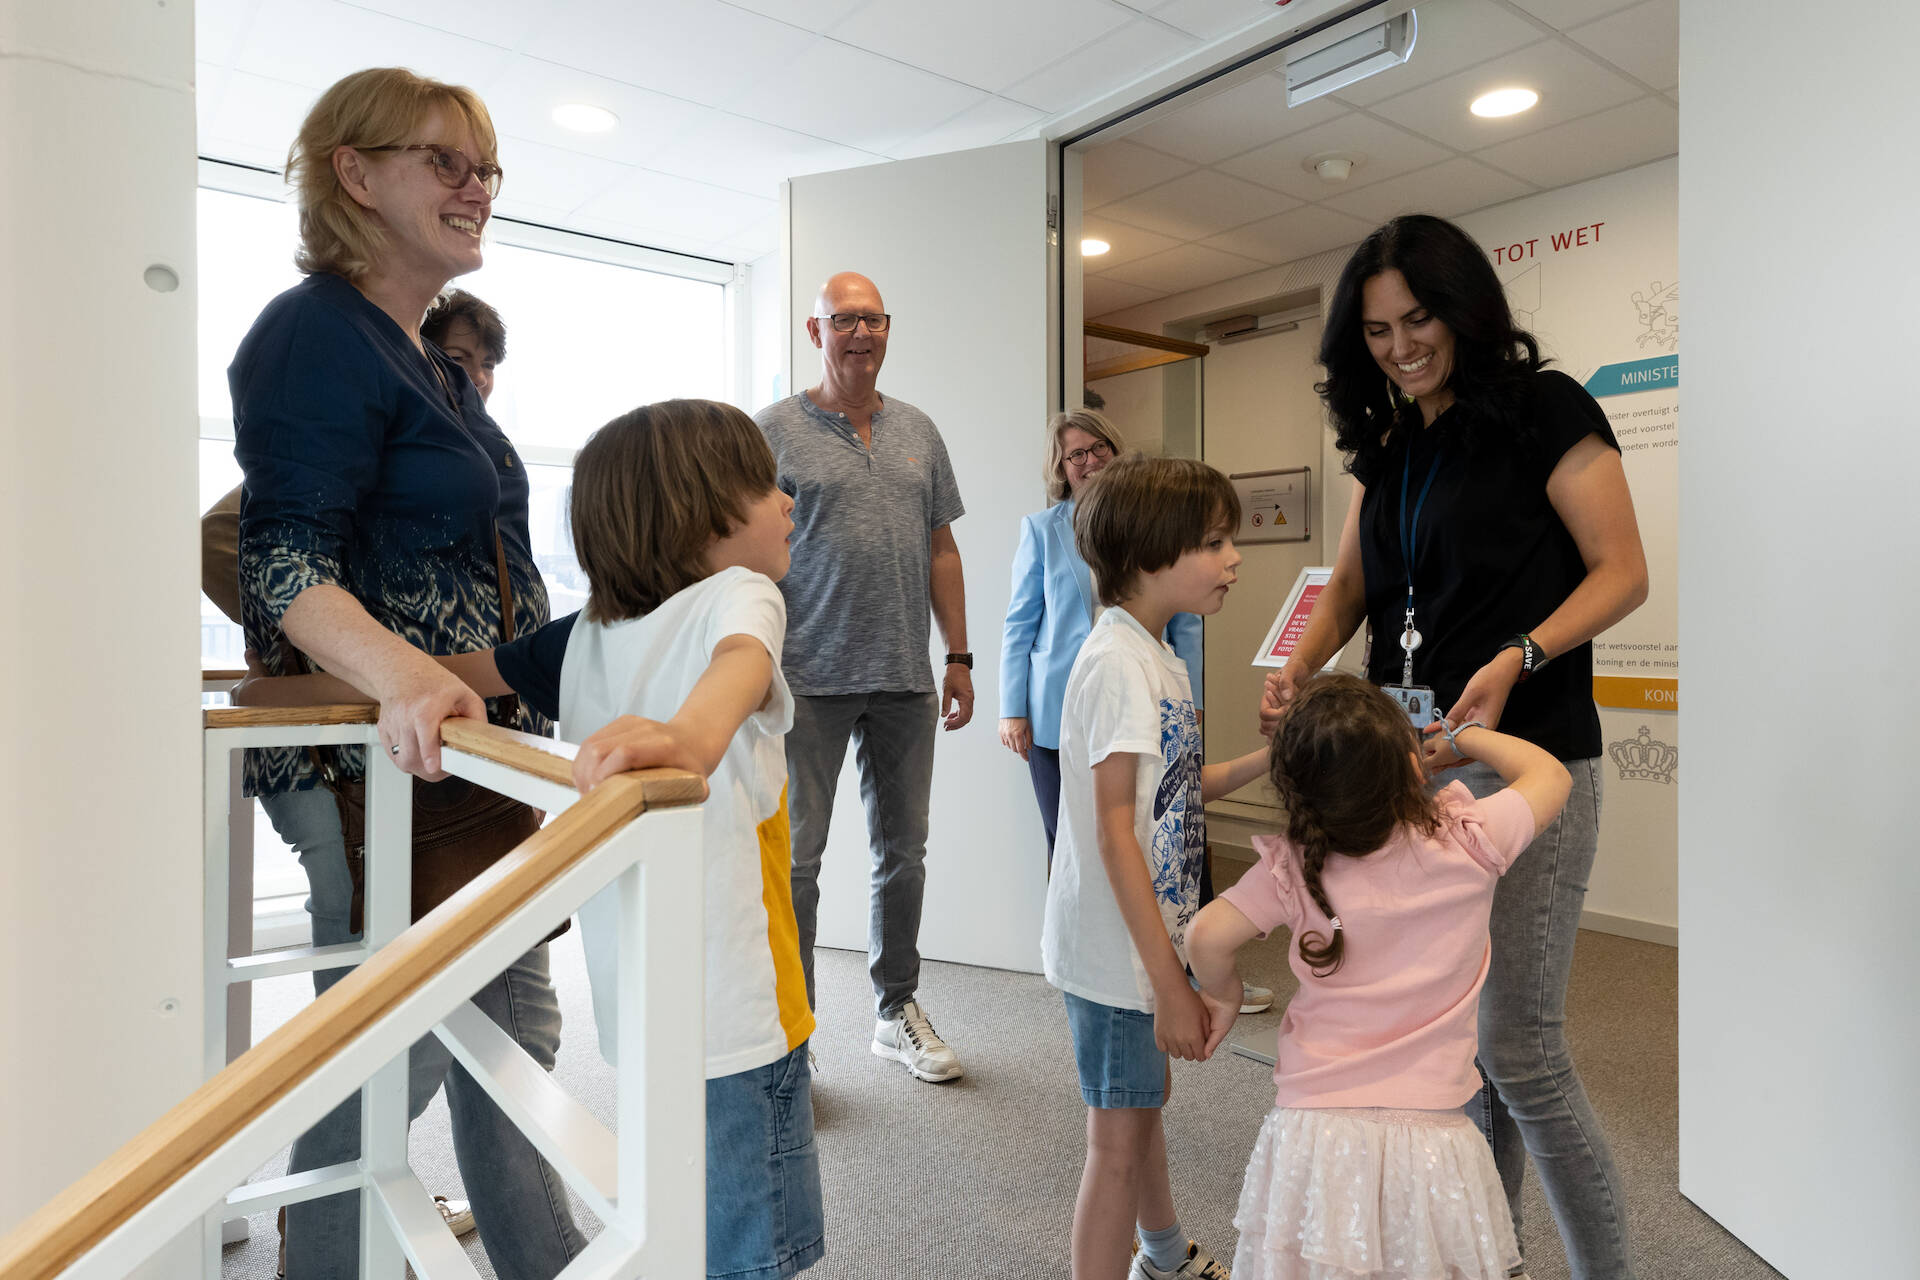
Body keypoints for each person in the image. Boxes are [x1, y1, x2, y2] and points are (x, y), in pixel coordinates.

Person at [229, 67, 581, 1278]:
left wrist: (525, 664)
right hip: (372, 763)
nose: (475, 188)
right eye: (446, 161)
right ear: (355, 172)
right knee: (394, 1050)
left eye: (485, 168)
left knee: (506, 1021)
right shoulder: (314, 331)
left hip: (452, 755)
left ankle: (548, 1258)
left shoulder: (422, 353)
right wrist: (406, 676)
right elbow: (281, 558)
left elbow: (461, 563)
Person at [1258, 213, 1647, 1277]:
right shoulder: (1387, 448)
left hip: (1529, 757)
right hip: (1410, 765)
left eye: (1417, 318)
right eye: (1377, 330)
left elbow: (1622, 570)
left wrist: (1523, 649)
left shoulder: (1545, 409)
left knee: (1520, 1045)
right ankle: (1491, 1255)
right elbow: (1348, 589)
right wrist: (1301, 659)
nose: (1399, 345)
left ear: (1465, 307)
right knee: (1459, 1052)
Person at [1189, 674, 1573, 1280]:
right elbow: (1553, 774)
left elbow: (1205, 936)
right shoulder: (1468, 841)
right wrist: (1466, 736)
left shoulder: (1293, 864)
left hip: (1313, 1135)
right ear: (1412, 768)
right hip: (1436, 1139)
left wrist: (1224, 994)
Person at [1042, 453, 1268, 1280]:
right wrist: (1170, 985)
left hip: (1144, 947)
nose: (1233, 559)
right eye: (1213, 543)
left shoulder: (1159, 654)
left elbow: (1174, 788)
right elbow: (1113, 831)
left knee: (1143, 1109)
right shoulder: (1118, 664)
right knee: (1115, 1140)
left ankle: (1165, 1255)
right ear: (1146, 556)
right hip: (1115, 959)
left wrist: (1259, 761)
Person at [754, 271, 973, 1083]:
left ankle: (896, 1009)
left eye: (872, 320)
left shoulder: (918, 429)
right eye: (842, 320)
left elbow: (941, 548)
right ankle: (794, 1031)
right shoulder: (772, 430)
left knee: (902, 855)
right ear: (816, 333)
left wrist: (957, 654)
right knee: (797, 862)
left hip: (904, 682)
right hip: (806, 682)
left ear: (888, 330)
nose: (860, 333)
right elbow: (746, 552)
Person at [201, 288, 509, 625]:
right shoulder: (371, 453)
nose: (477, 378)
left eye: (488, 365)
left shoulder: (475, 454)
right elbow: (216, 541)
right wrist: (334, 641)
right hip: (398, 669)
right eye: (457, 358)